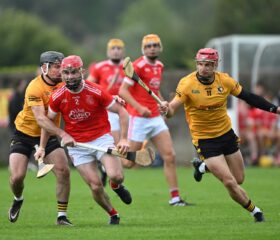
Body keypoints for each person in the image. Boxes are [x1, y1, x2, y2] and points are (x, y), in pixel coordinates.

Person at [159, 48, 280, 221]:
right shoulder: (187, 84)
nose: (203, 68)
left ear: (215, 65)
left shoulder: (224, 81)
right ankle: (256, 212)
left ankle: (203, 167)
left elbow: (249, 97)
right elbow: (172, 108)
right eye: (200, 64)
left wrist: (276, 109)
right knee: (230, 182)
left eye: (208, 65)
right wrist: (166, 109)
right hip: (205, 140)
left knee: (239, 179)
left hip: (226, 135)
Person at [35, 55, 132, 225]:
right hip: (77, 146)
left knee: (116, 176)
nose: (70, 76)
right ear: (62, 74)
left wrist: (123, 139)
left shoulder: (96, 91)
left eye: (73, 72)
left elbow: (123, 112)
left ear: (82, 71)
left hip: (101, 138)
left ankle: (116, 186)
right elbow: (47, 123)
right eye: (66, 72)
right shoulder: (57, 96)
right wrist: (42, 147)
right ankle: (113, 214)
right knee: (95, 186)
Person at [119, 34, 189, 206]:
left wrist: (163, 101)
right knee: (128, 163)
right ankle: (110, 158)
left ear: (160, 47)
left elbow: (154, 90)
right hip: (138, 118)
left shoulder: (159, 66)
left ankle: (175, 198)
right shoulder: (137, 66)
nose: (152, 48)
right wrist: (139, 107)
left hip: (156, 118)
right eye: (149, 45)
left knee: (170, 156)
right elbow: (123, 91)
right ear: (144, 48)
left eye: (155, 45)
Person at [8, 51, 72, 226]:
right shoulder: (34, 87)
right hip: (24, 134)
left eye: (63, 67)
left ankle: (61, 216)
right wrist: (63, 133)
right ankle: (18, 198)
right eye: (57, 67)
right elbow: (41, 119)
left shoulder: (65, 85)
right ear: (45, 68)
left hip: (48, 135)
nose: (61, 71)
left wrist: (112, 98)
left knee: (63, 170)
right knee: (17, 177)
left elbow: (88, 89)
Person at [87, 38, 126, 185]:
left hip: (126, 111)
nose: (116, 51)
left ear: (123, 51)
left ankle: (107, 170)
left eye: (119, 48)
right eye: (113, 48)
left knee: (124, 147)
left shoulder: (128, 67)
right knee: (116, 144)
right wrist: (109, 87)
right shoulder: (99, 67)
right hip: (109, 111)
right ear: (108, 51)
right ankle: (115, 178)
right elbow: (88, 89)